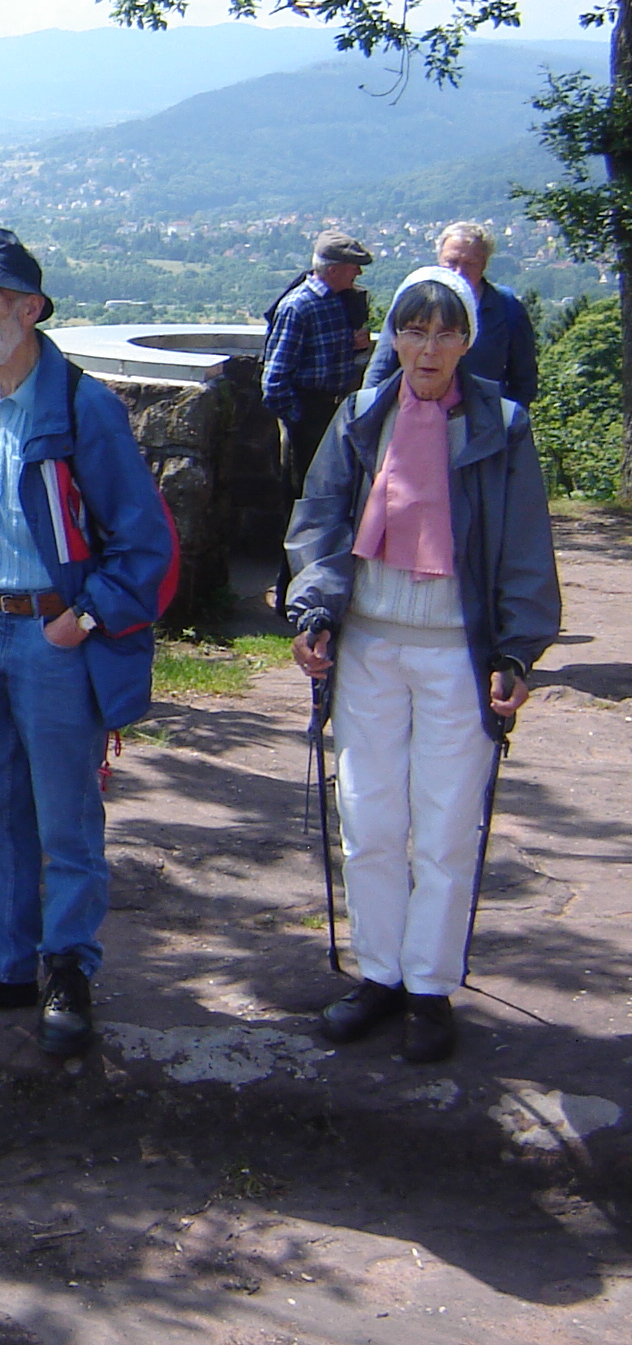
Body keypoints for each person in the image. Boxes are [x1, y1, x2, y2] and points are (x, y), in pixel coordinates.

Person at [0, 228, 171, 1058]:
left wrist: (84, 618)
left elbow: (145, 543)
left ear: (30, 310)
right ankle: (3, 960)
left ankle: (68, 970)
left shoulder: (81, 407)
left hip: (55, 639)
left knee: (65, 818)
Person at [286, 266, 560, 1063]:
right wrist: (315, 609)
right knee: (370, 819)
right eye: (414, 329)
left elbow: (522, 547)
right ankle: (379, 975)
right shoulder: (361, 417)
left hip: (458, 655)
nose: (428, 347)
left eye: (445, 332)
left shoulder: (501, 426)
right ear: (394, 337)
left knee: (444, 828)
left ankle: (430, 989)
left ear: (467, 341)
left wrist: (516, 650)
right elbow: (319, 521)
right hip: (368, 645)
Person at [365, 222, 540, 405]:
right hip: (414, 416)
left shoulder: (506, 307)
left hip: (482, 425)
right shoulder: (411, 301)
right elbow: (381, 368)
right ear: (439, 260)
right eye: (452, 262)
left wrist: (503, 423)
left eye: (470, 264)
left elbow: (524, 381)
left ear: (484, 265)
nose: (459, 272)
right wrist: (369, 417)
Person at [263, 230, 375, 502]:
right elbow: (274, 381)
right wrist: (300, 421)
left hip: (334, 410)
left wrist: (350, 345)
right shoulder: (298, 306)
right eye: (353, 266)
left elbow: (315, 350)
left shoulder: (338, 301)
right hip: (309, 413)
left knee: (330, 491)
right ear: (334, 270)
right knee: (304, 493)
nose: (358, 272)